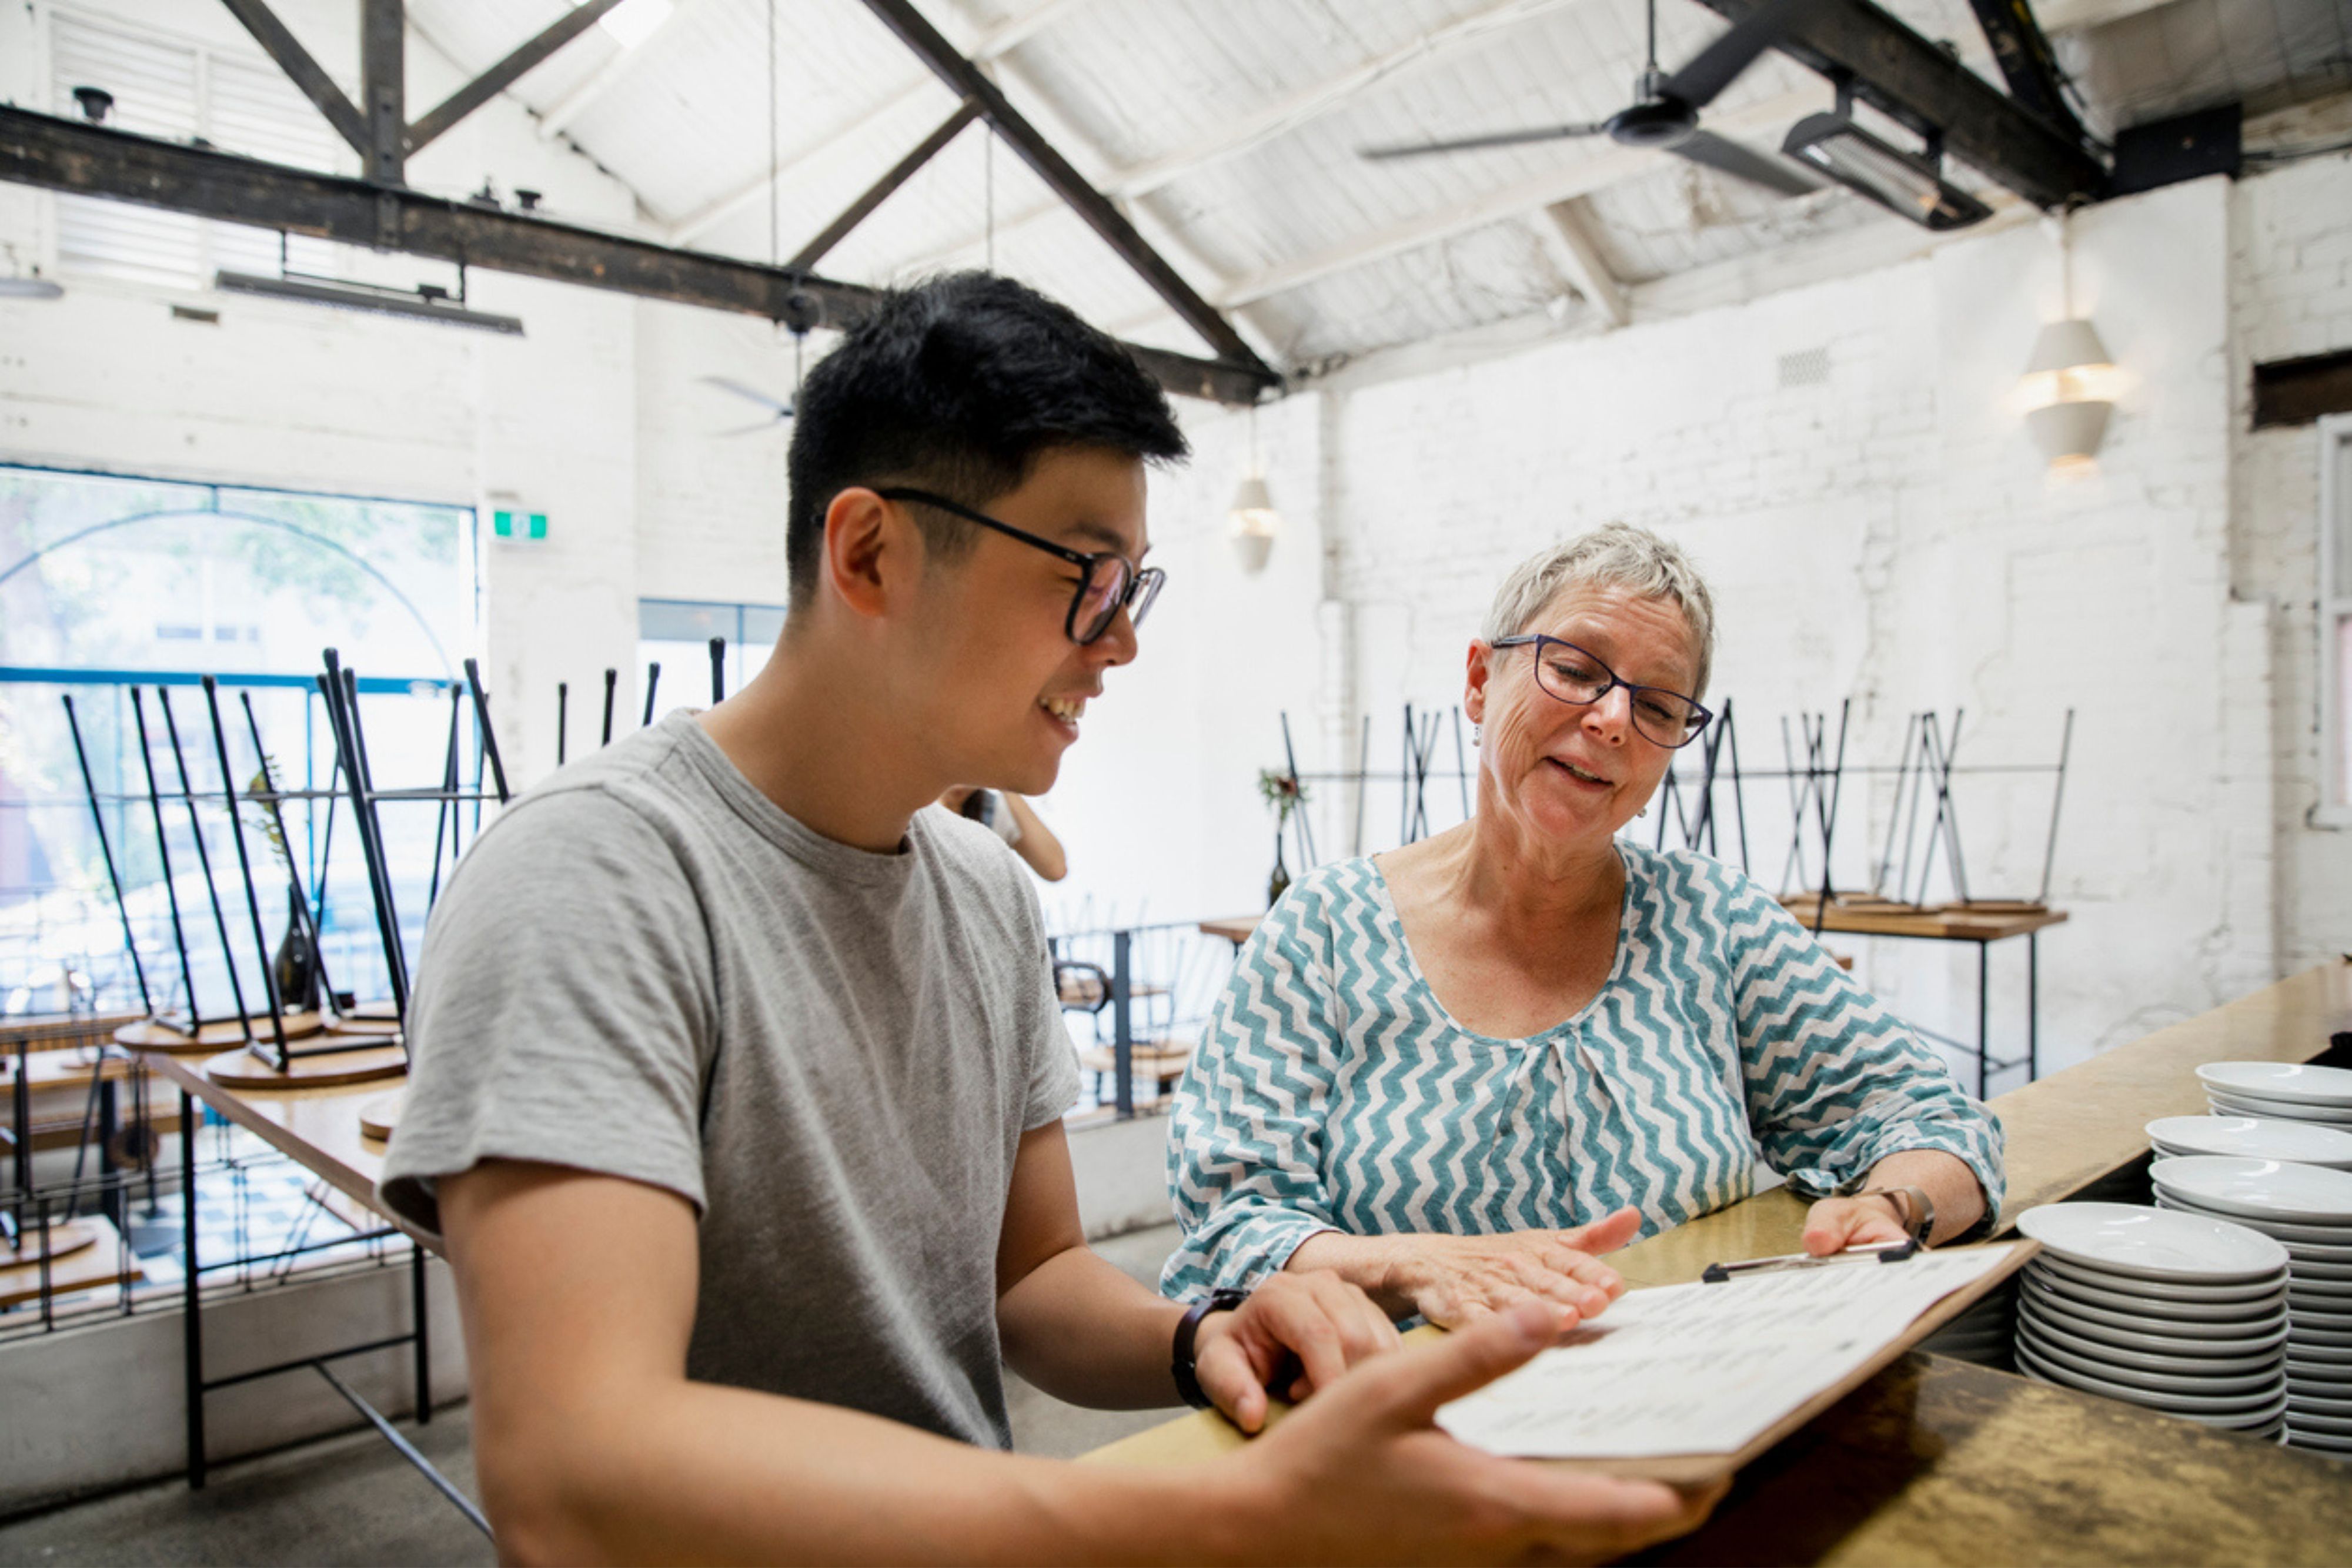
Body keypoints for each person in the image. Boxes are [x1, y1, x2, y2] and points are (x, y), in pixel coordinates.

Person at [379, 276, 1719, 1563]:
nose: (1121, 641)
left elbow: (1032, 1283)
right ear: (870, 553)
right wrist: (1220, 1526)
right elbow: (579, 1483)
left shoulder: (977, 892)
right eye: (1088, 576)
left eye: (1136, 586)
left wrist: (1207, 1338)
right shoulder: (593, 877)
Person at [1165, 523, 2004, 1327]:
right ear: (1478, 680)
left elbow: (1935, 1118)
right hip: (1402, 1427)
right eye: (1574, 668)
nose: (1610, 718)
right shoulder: (1325, 931)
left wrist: (1895, 1203)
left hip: (1686, 1410)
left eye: (1659, 704)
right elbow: (1232, 1227)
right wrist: (1414, 1265)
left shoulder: (1713, 921)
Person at [937, 783, 1067, 880]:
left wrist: (1005, 782)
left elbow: (1055, 869)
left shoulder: (991, 810)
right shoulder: (920, 810)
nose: (962, 785)